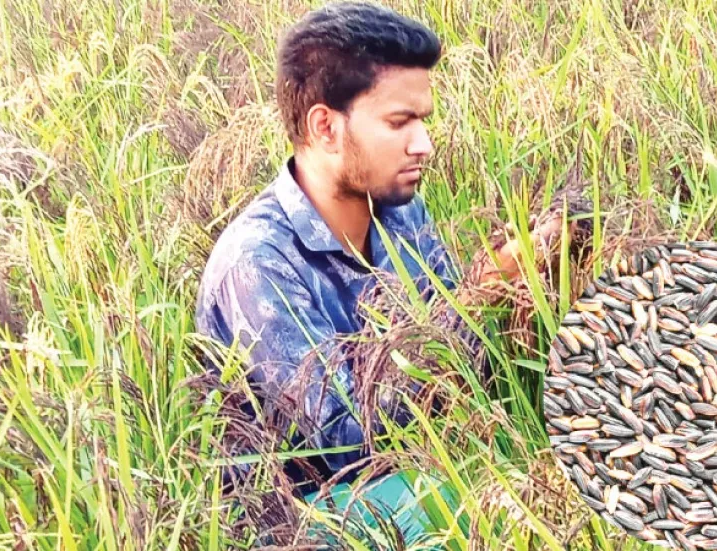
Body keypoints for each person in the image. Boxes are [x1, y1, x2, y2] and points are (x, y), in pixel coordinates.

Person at [193, 1, 565, 545]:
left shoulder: (401, 212)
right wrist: (481, 296)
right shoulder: (258, 261)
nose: (424, 144)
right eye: (399, 122)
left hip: (418, 476)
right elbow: (346, 441)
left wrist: (527, 294)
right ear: (325, 127)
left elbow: (460, 370)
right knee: (510, 507)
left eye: (423, 121)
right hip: (310, 516)